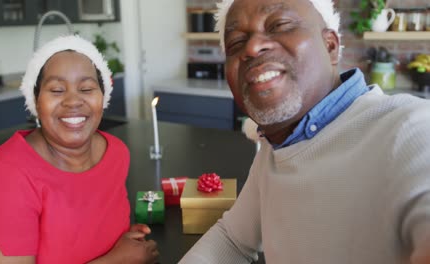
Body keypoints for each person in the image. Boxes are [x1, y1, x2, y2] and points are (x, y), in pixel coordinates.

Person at [180, 0, 430, 263]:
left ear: (330, 46)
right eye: (235, 43)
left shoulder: (410, 127)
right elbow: (232, 238)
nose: (252, 48)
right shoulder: (277, 145)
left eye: (280, 25)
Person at [0, 35, 159, 264]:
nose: (73, 101)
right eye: (57, 90)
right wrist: (119, 259)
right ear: (36, 100)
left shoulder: (115, 152)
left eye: (86, 88)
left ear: (103, 96)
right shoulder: (5, 177)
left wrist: (122, 240)